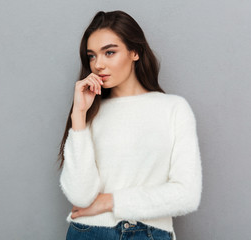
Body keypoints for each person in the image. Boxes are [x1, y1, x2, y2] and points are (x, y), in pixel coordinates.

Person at [57, 10, 202, 240]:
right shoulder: (90, 112)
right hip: (89, 232)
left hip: (149, 233)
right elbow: (81, 196)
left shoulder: (174, 109)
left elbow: (186, 195)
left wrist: (109, 201)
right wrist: (79, 116)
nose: (98, 65)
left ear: (135, 52)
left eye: (110, 52)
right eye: (92, 56)